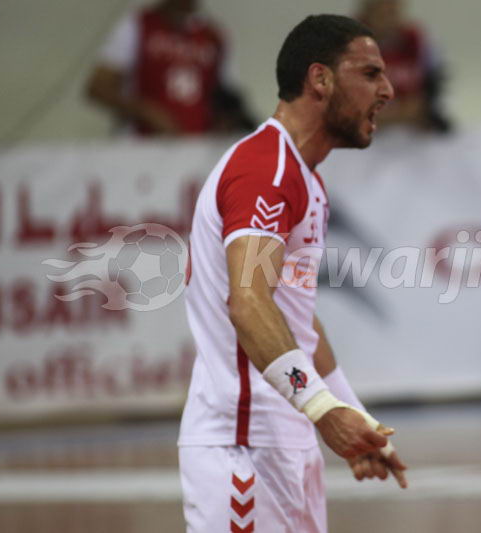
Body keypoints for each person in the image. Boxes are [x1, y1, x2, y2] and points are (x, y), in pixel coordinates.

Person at [177, 14, 406, 533]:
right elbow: (249, 303)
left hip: (285, 438)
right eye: (370, 73)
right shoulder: (266, 169)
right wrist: (324, 410)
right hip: (244, 447)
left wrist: (354, 418)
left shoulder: (307, 181)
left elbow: (297, 319)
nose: (388, 90)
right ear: (320, 79)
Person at [85, 0, 255, 136]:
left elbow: (229, 96)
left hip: (197, 150)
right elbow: (98, 87)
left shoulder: (214, 36)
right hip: (142, 147)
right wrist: (145, 111)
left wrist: (225, 121)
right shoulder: (138, 25)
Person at [357, 0, 452, 132]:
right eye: (381, 11)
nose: (388, 17)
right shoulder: (346, 43)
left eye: (392, 10)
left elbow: (431, 96)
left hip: (410, 135)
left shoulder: (417, 40)